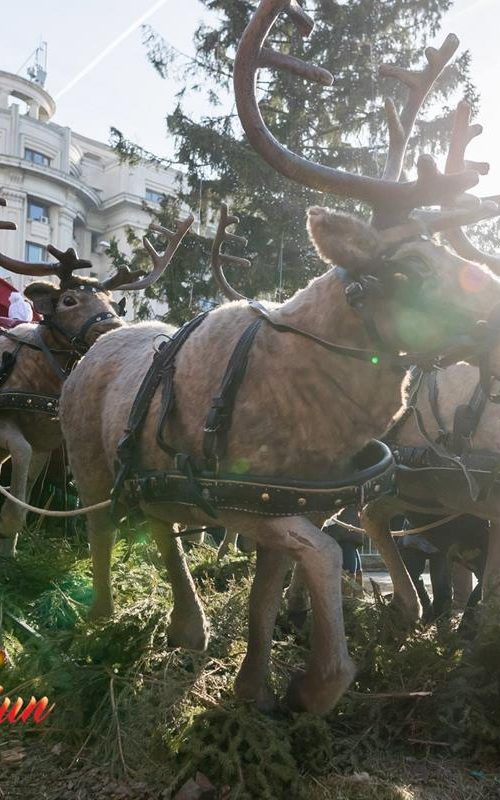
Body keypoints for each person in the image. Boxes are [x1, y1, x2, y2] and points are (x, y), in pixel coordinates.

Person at [395, 513, 489, 625]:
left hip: (442, 540)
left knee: (441, 584)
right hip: (413, 538)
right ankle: (426, 611)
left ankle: (443, 621)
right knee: (410, 578)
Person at [323, 506, 364, 589]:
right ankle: (357, 591)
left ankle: (349, 592)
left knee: (347, 545)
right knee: (350, 547)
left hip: (343, 524)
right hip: (348, 522)